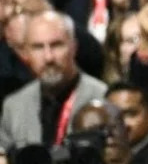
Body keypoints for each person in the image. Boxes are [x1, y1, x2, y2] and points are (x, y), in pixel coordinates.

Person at [0, 13, 104, 152]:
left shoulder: (103, 97)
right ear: (25, 53)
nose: (48, 57)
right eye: (38, 47)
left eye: (56, 45)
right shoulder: (14, 106)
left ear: (74, 47)